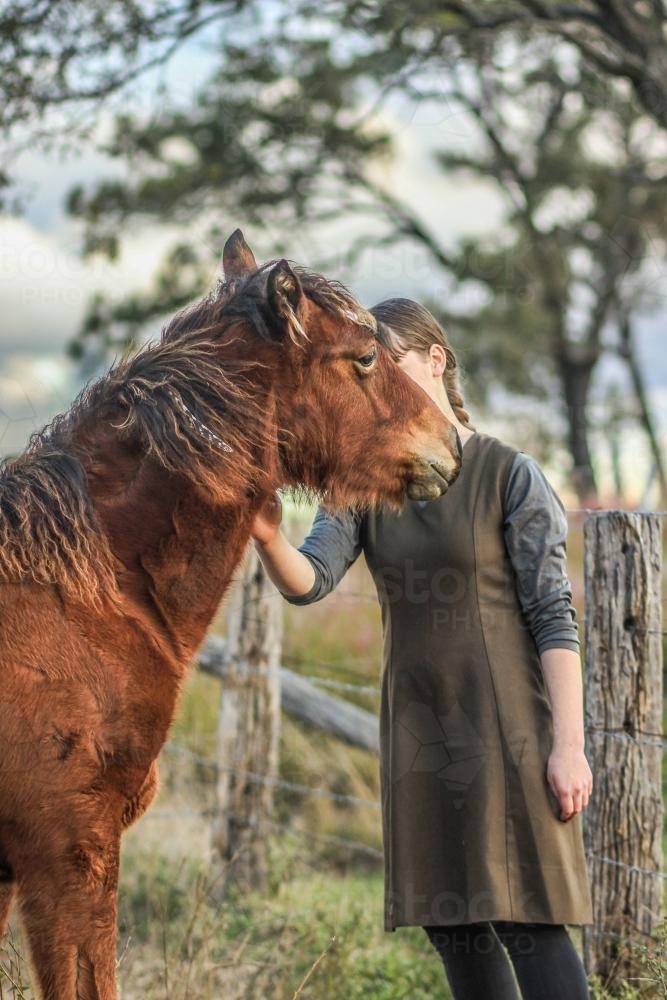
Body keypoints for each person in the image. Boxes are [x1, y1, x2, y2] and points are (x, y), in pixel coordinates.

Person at [250, 298, 594, 1000]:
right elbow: (310, 582)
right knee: (453, 925)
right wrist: (266, 539)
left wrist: (568, 746)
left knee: (527, 916)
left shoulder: (507, 475)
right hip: (420, 729)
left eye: (392, 367)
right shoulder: (364, 484)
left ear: (435, 362)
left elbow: (553, 618)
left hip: (510, 731)